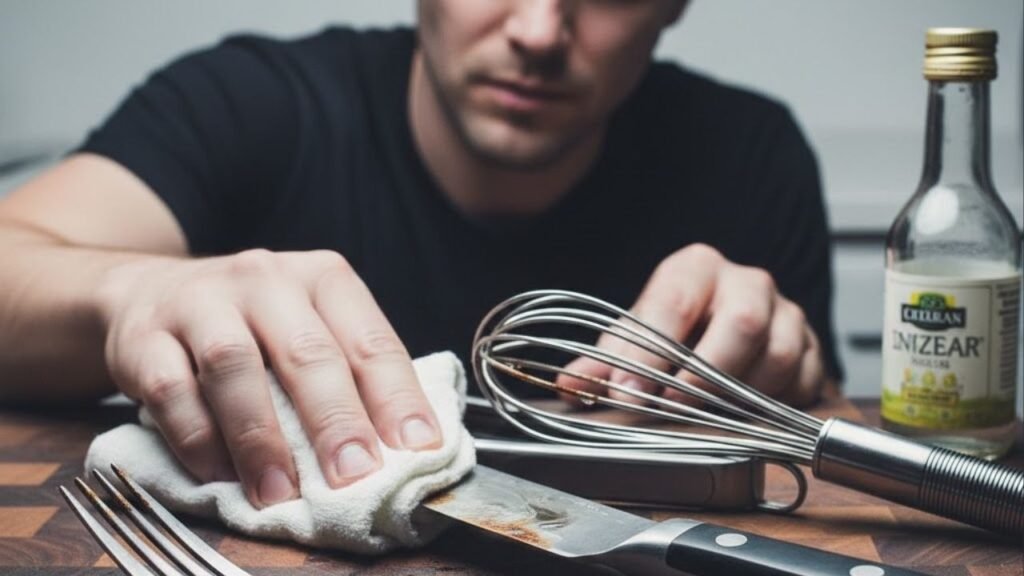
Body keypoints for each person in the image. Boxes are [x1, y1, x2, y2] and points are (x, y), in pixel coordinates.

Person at [0, 0, 840, 510]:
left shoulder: (751, 156)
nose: (539, 31)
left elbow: (820, 426)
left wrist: (780, 373)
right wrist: (133, 294)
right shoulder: (247, 104)